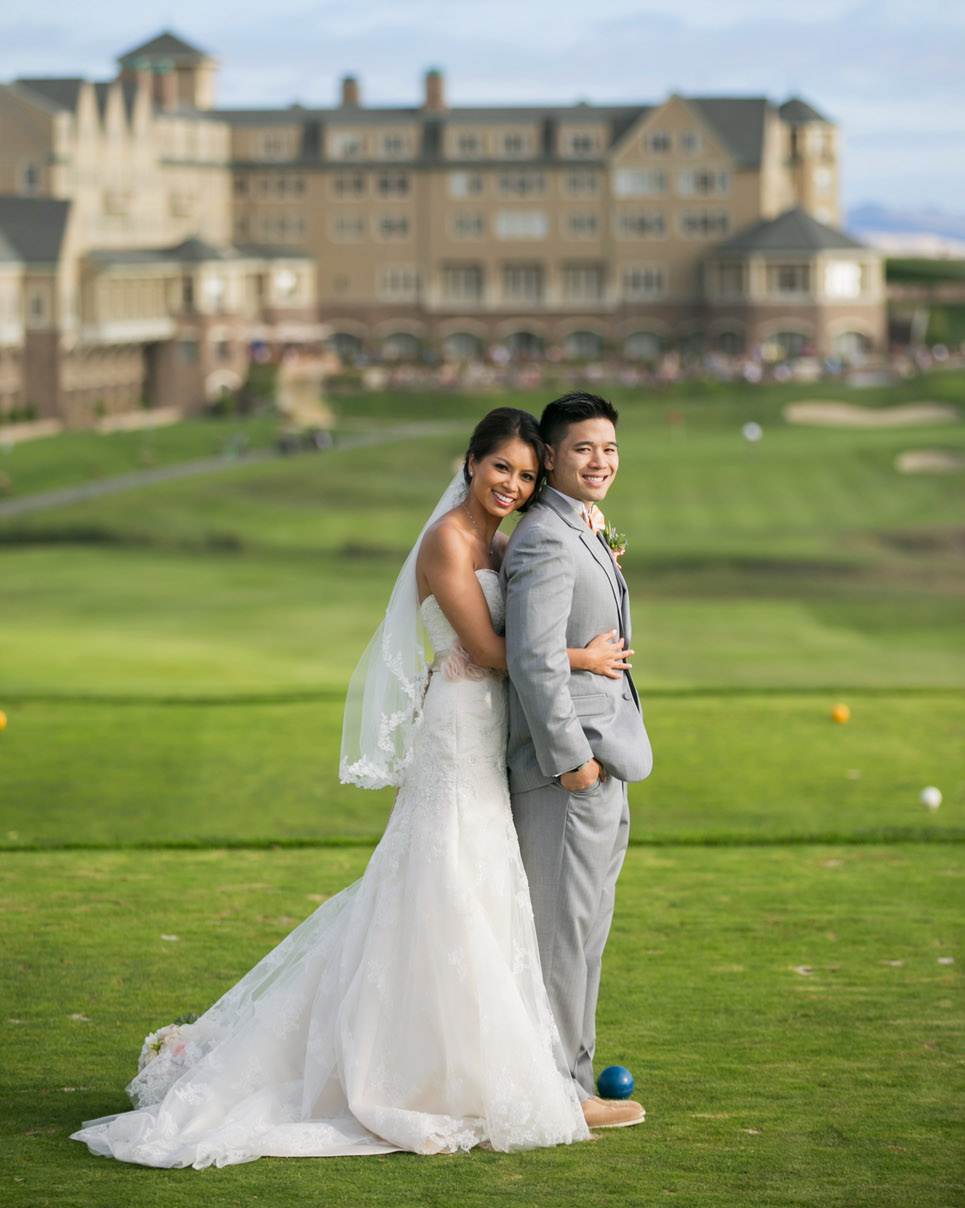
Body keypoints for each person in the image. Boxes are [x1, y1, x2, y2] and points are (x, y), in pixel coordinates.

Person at [71, 407, 628, 1168]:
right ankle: (410, 1071)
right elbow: (492, 648)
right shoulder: (445, 541)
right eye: (501, 467)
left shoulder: (503, 540)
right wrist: (580, 658)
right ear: (469, 463)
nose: (512, 483)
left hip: (488, 730)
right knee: (443, 880)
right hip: (460, 726)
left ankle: (467, 1058)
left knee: (480, 886)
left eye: (527, 475)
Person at [503, 392, 653, 1130]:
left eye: (611, 449)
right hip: (568, 774)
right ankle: (562, 1093)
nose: (601, 461)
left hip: (604, 766)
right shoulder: (543, 539)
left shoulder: (577, 528)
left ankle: (576, 1075)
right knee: (562, 937)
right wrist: (571, 764)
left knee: (586, 931)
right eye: (585, 449)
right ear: (552, 456)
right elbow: (532, 662)